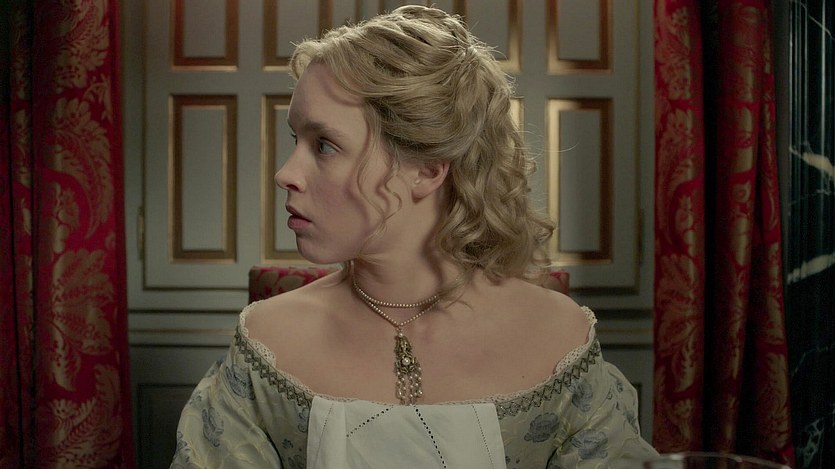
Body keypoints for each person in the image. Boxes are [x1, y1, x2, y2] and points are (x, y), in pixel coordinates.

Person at [171, 5, 657, 468]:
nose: (285, 174)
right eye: (295, 140)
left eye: (324, 145)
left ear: (426, 170)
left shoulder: (559, 339)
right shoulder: (267, 342)